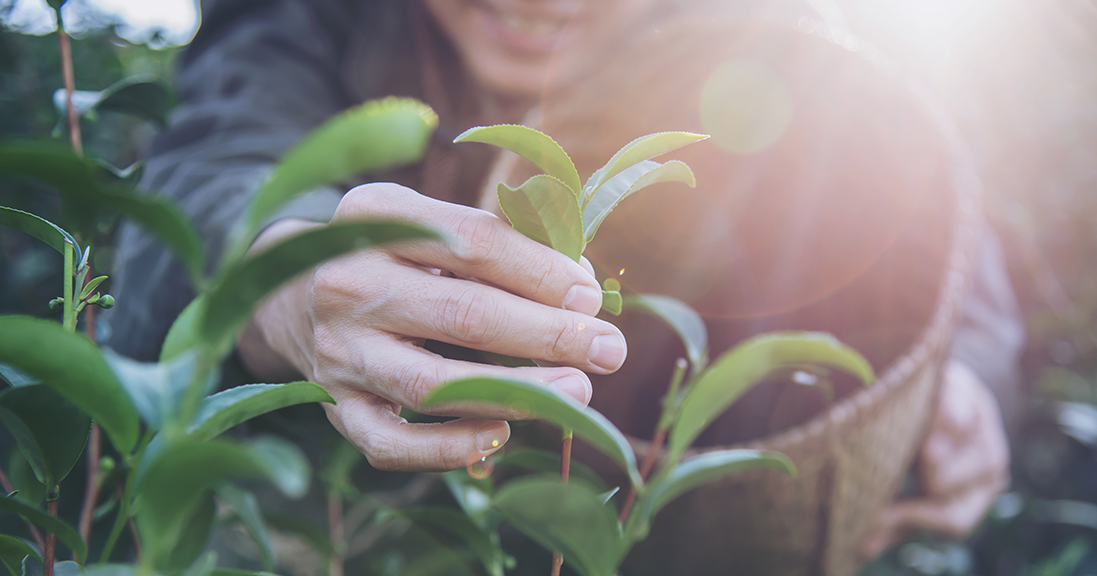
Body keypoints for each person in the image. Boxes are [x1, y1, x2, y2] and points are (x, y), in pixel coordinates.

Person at [106, 0, 1020, 568]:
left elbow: (939, 233)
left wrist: (968, 380)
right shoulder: (303, 18)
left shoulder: (764, 30)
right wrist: (284, 274)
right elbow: (210, 174)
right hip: (380, 511)